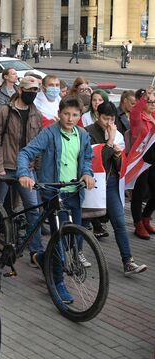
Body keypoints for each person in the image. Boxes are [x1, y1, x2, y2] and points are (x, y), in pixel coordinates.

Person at [17, 96, 95, 303]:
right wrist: (24, 174)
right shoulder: (50, 133)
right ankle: (58, 283)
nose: (70, 119)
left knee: (75, 239)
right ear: (59, 113)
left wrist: (87, 174)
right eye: (66, 114)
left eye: (75, 115)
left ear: (80, 116)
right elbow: (26, 153)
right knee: (60, 240)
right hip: (55, 193)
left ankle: (43, 257)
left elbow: (87, 158)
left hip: (74, 193)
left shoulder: (83, 135)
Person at [85, 101, 148, 275]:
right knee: (84, 220)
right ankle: (77, 253)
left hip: (111, 182)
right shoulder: (88, 132)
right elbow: (97, 160)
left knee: (119, 223)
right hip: (93, 182)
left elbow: (120, 165)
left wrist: (119, 155)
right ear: (98, 115)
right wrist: (110, 142)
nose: (109, 123)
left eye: (112, 119)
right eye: (106, 118)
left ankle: (128, 261)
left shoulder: (116, 133)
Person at [0, 76, 43, 265]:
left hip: (26, 170)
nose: (33, 94)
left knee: (33, 210)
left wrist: (36, 168)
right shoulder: (5, 111)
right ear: (20, 90)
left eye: (36, 91)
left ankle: (36, 251)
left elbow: (37, 145)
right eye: (30, 90)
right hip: (6, 167)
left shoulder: (36, 114)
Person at [129, 86, 155, 239]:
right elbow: (134, 112)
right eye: (149, 102)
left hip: (153, 160)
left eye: (154, 102)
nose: (152, 104)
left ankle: (146, 217)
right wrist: (145, 96)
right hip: (140, 161)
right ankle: (138, 223)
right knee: (138, 194)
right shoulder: (138, 118)